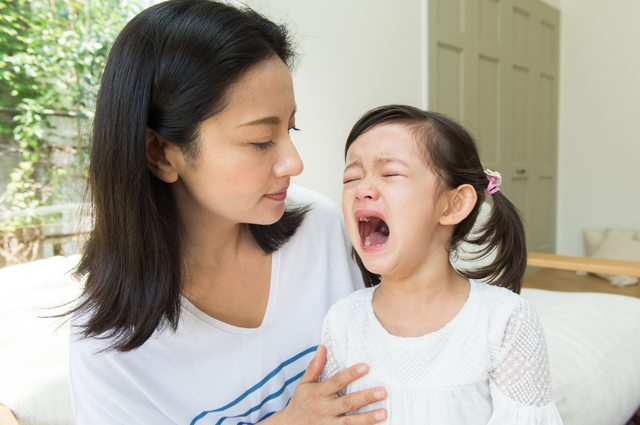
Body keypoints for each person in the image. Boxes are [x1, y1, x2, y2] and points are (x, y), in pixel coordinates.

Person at [68, 1, 389, 423]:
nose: (294, 163)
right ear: (161, 153)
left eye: (290, 129)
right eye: (260, 140)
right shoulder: (109, 346)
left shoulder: (320, 225)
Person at [320, 104, 564, 424]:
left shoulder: (505, 320)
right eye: (351, 177)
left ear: (454, 204)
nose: (362, 189)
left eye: (390, 173)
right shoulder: (344, 320)